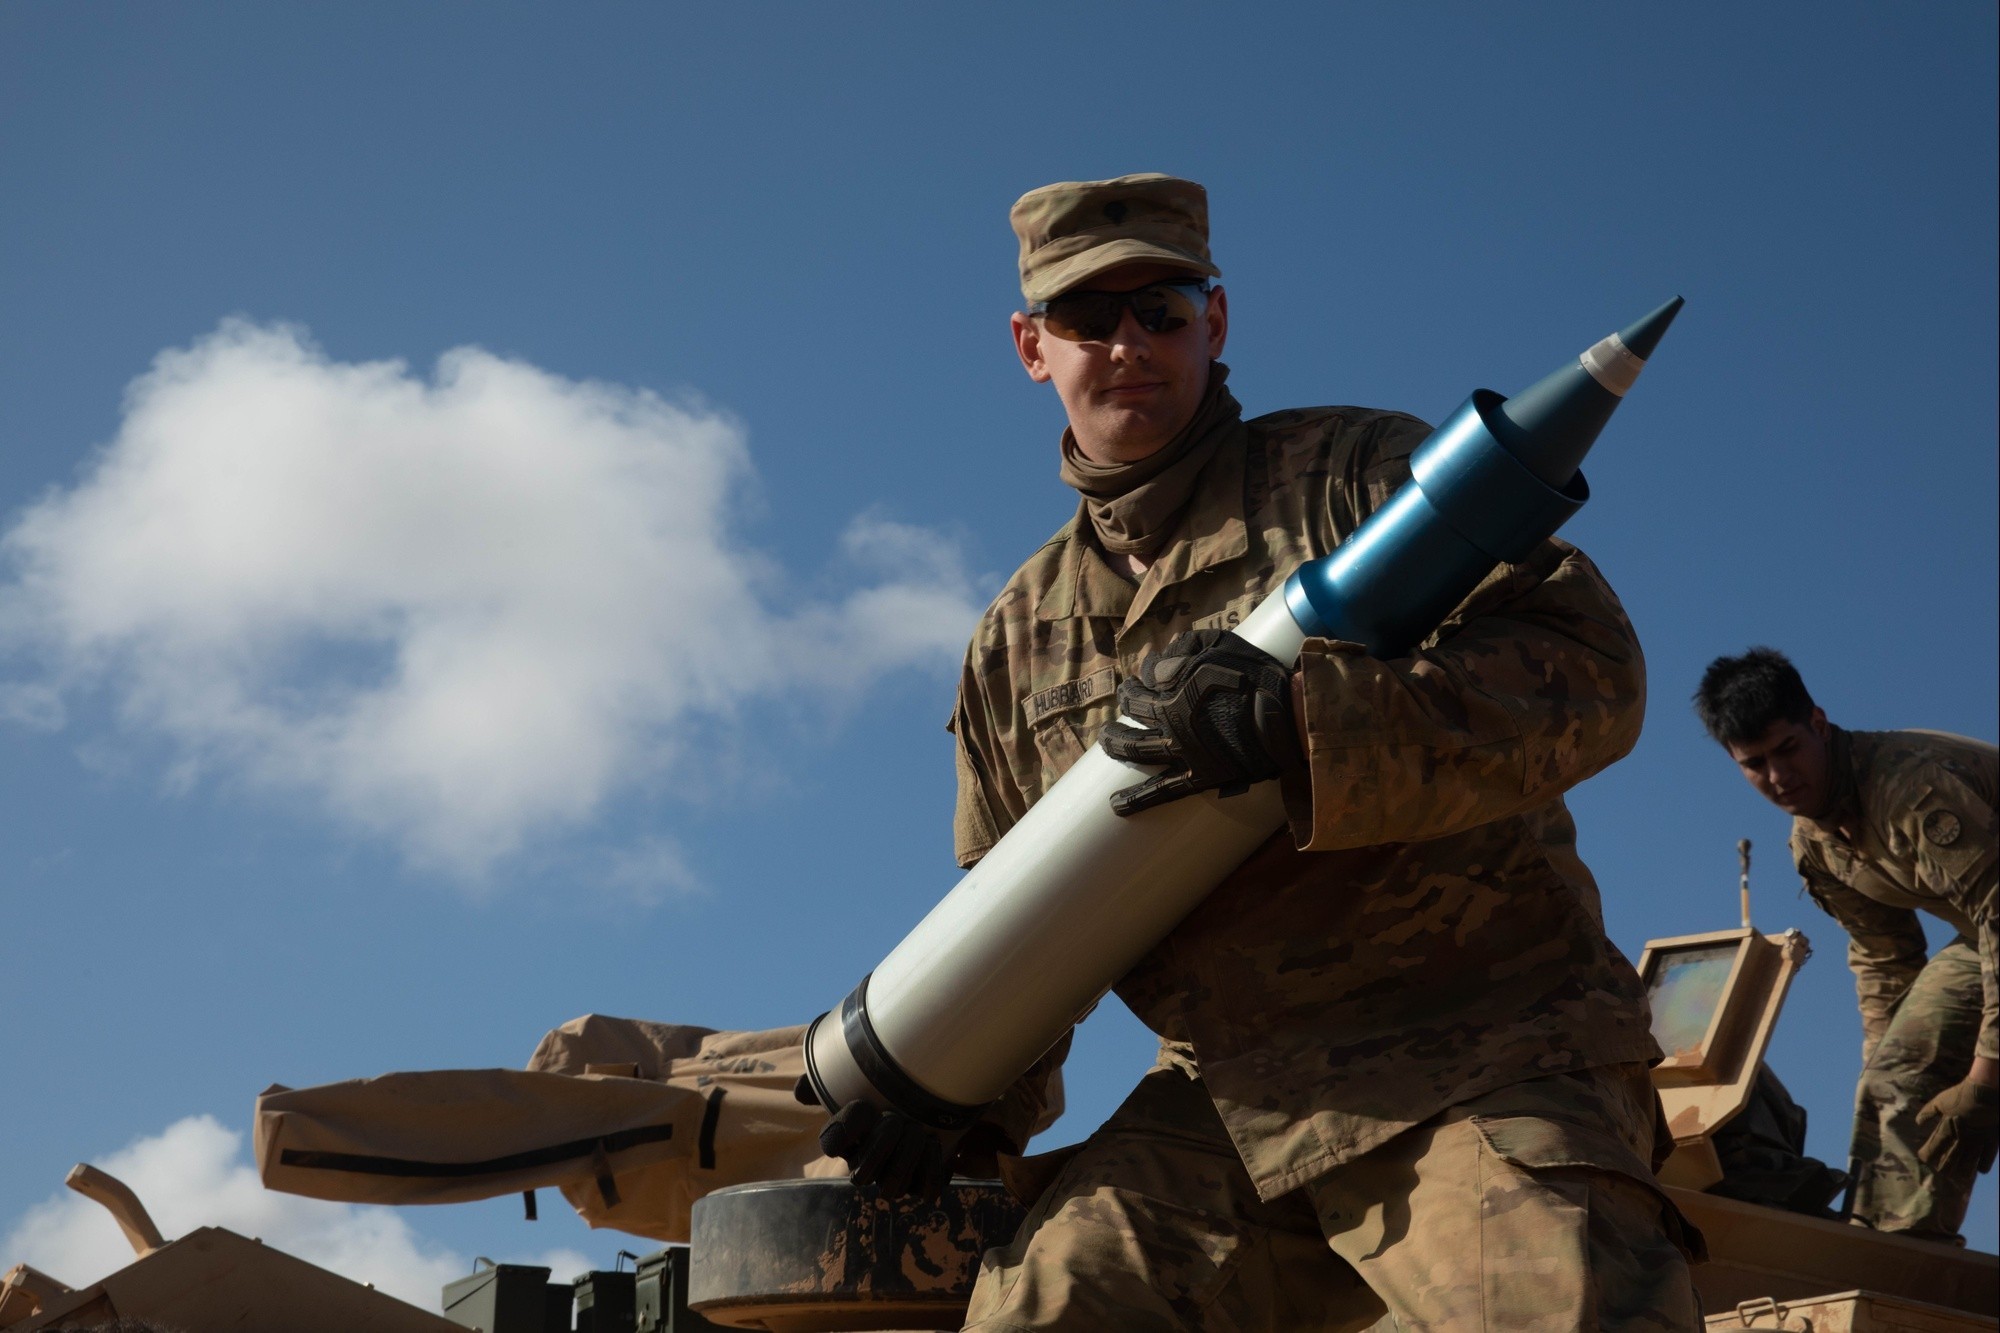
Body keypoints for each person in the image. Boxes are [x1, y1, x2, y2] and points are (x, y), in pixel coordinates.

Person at [818, 171, 1700, 1331]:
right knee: (1043, 1305)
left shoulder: (1361, 482)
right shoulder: (1009, 643)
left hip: (1485, 1048)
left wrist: (1305, 724)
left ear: (1213, 322)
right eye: (1088, 319)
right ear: (1033, 347)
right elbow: (1023, 914)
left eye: (1162, 310)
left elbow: (1591, 677)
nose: (1128, 345)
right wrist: (960, 1103)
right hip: (1225, 1096)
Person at [1694, 647, 1997, 1243]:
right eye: (1755, 764)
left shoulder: (1910, 788)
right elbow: (1886, 958)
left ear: (1819, 723)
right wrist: (1885, 1084)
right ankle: (1894, 1261)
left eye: (1788, 750)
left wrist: (1986, 1079)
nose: (1779, 778)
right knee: (1896, 1076)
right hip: (1982, 934)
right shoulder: (1816, 844)